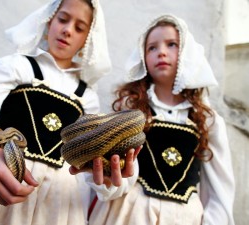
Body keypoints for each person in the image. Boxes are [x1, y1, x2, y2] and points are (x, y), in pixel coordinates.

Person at [0, 0, 135, 224]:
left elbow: (87, 164)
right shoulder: (16, 66)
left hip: (56, 207)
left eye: (79, 28)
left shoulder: (87, 97)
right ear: (49, 20)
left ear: (87, 39)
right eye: (62, 19)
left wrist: (107, 174)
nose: (67, 30)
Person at [87, 14, 235, 225]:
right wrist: (110, 180)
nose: (161, 52)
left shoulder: (207, 120)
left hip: (183, 217)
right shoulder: (131, 110)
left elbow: (220, 188)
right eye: (152, 48)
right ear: (142, 57)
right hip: (131, 212)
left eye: (171, 44)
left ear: (187, 53)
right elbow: (121, 172)